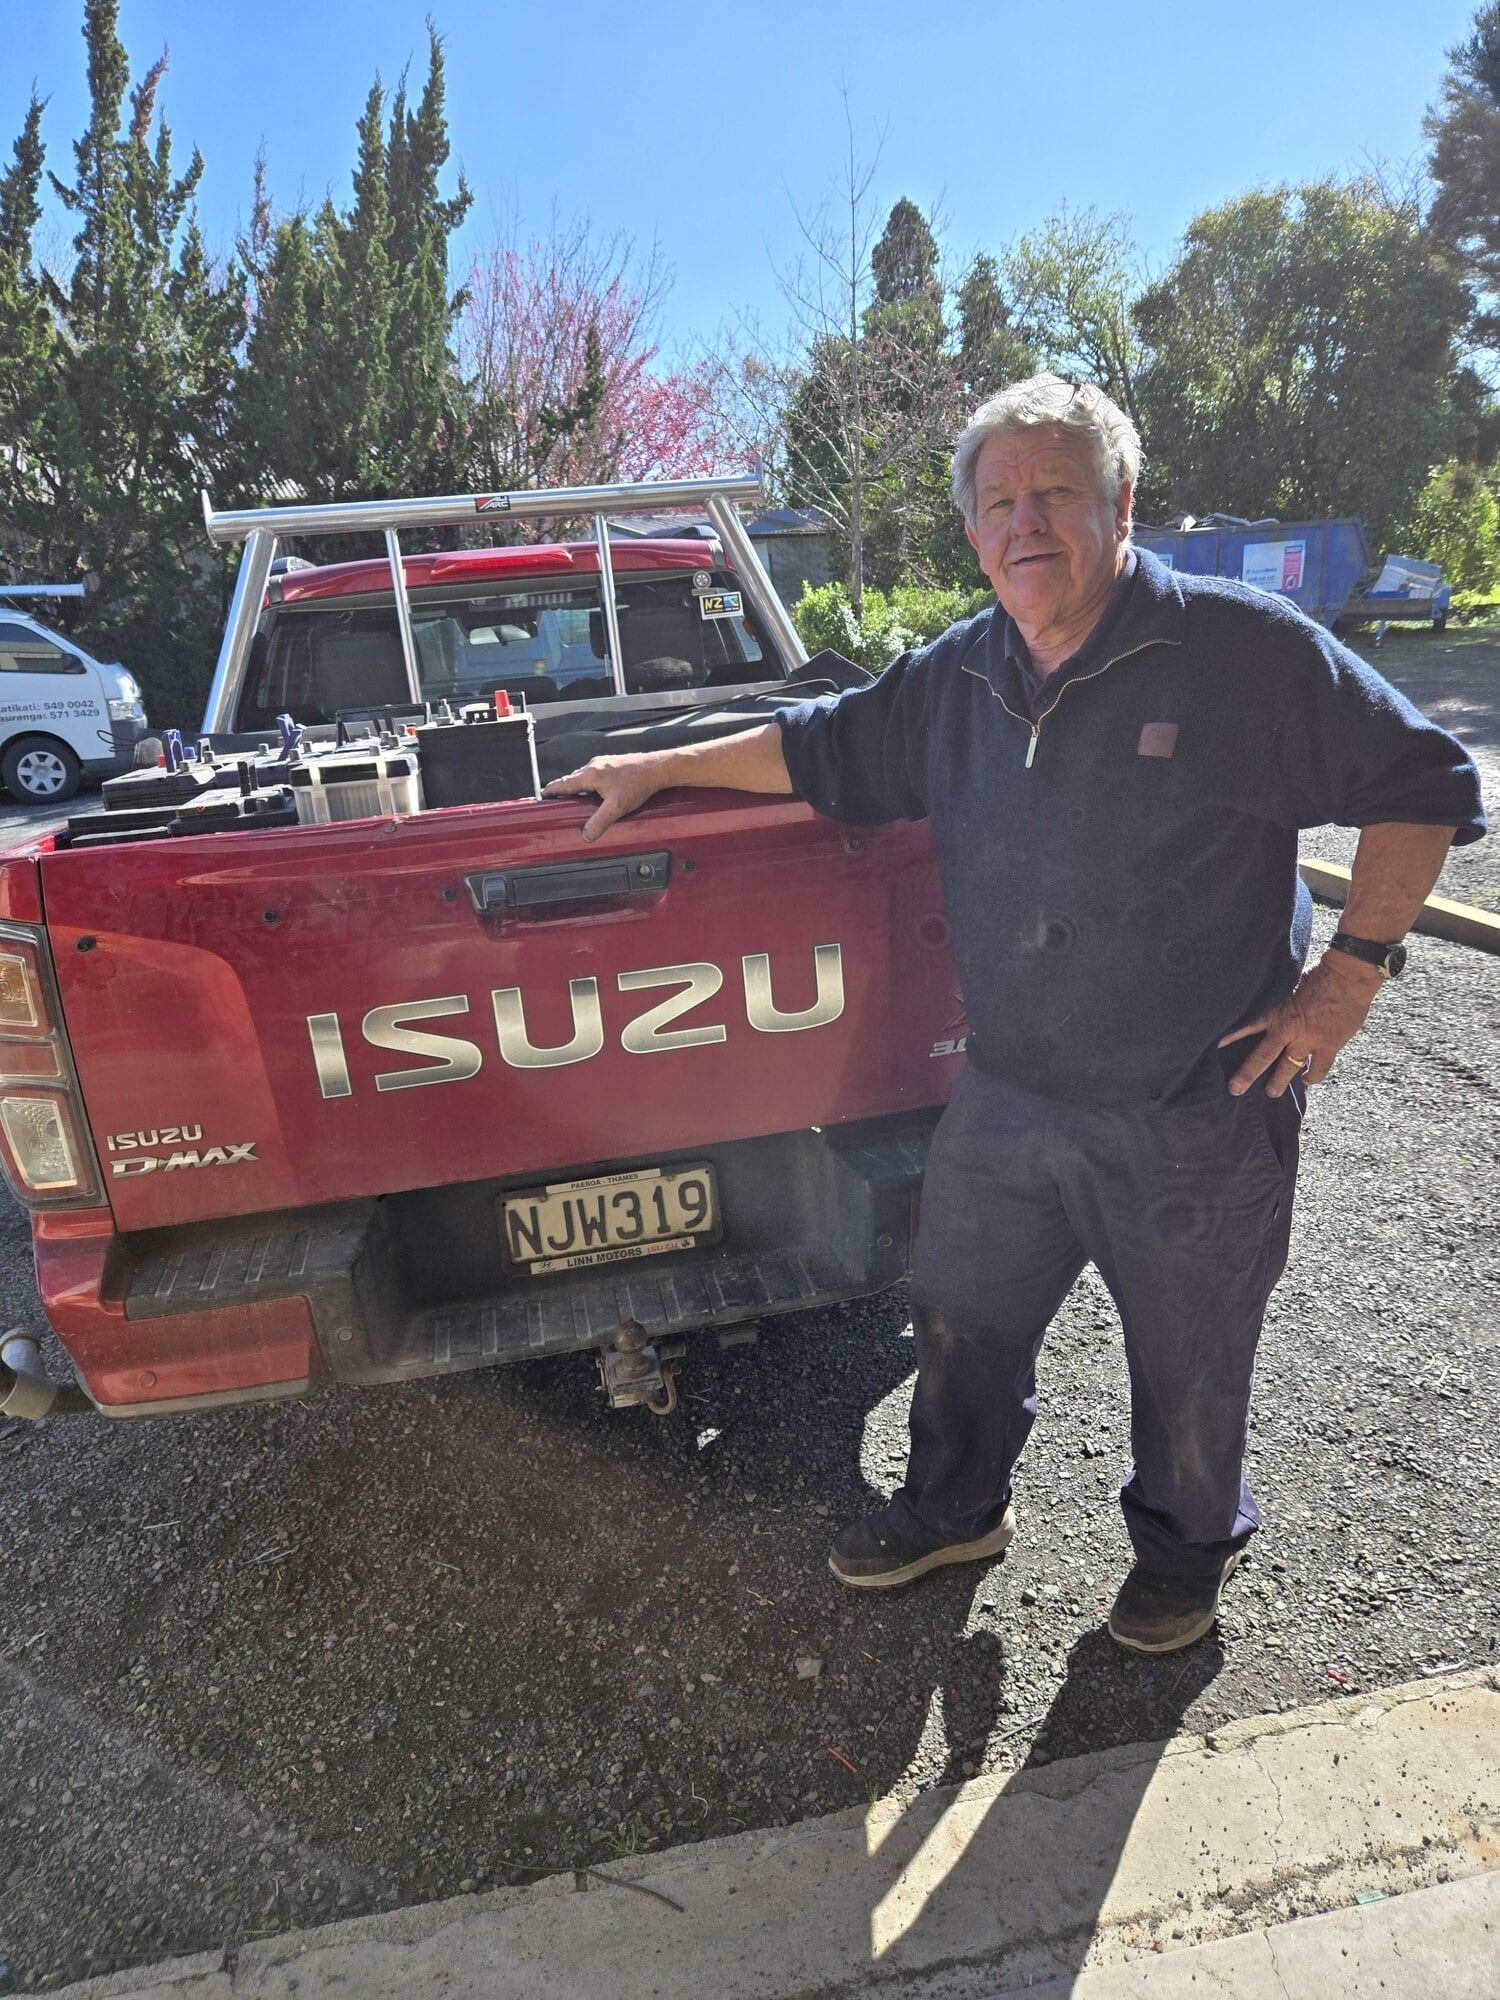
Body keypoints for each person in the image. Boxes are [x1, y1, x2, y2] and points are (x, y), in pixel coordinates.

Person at [543, 374, 1486, 1653]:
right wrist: (658, 765)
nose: (1024, 522)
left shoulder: (1240, 648)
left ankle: (1183, 1560)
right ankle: (952, 1509)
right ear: (974, 528)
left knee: (1193, 1360)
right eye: (999, 501)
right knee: (958, 1319)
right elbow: (819, 740)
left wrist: (1349, 977)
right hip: (1009, 1092)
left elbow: (1424, 778)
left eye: (1054, 492)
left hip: (1195, 1105)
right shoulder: (958, 674)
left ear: (1121, 503)